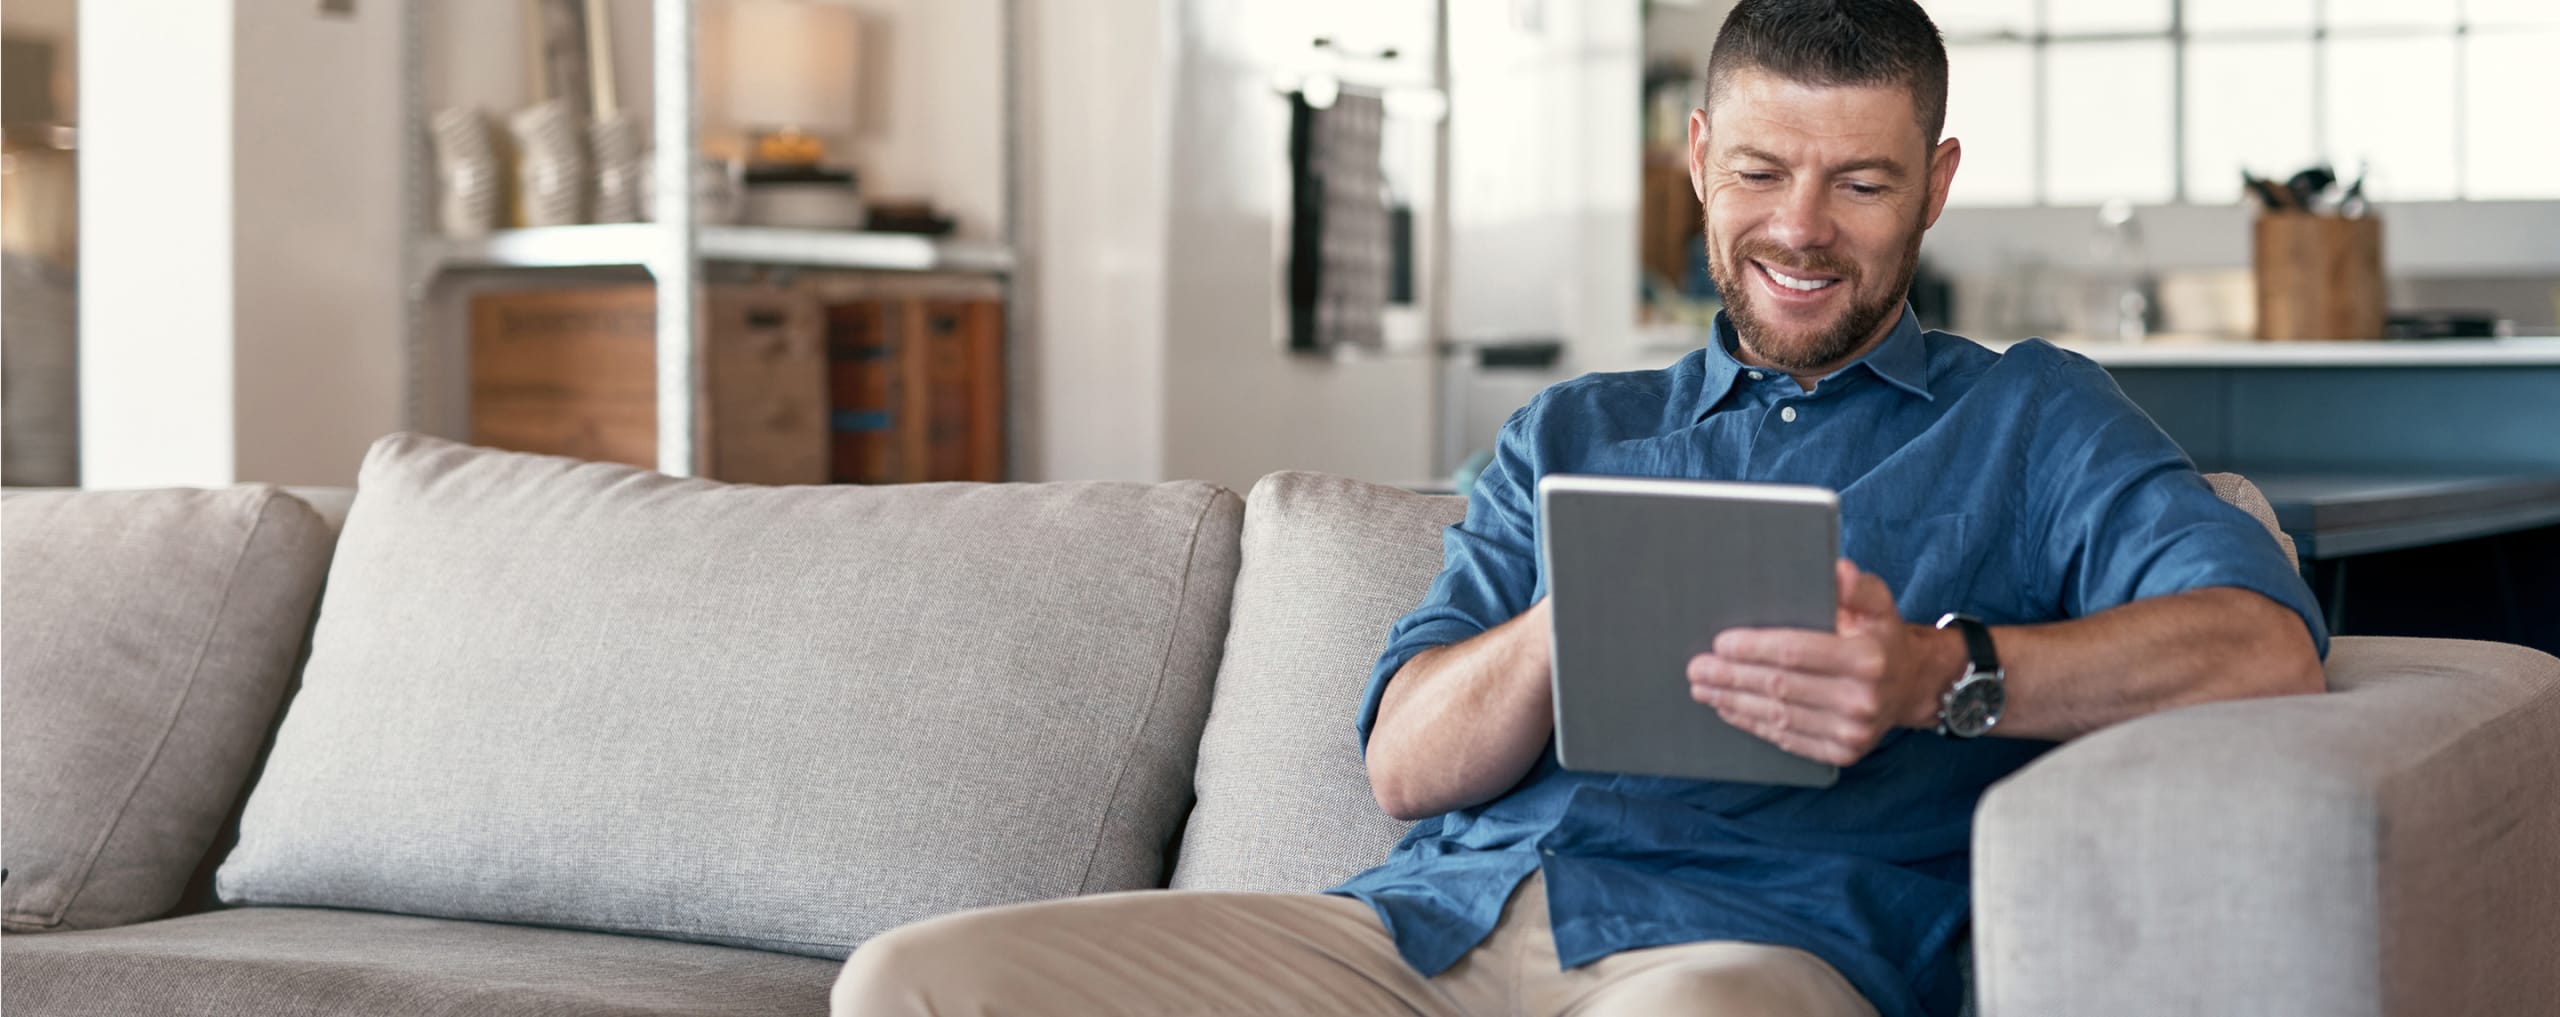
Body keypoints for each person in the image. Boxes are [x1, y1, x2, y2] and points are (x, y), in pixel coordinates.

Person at [833, 1, 2328, 1014]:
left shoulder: (2033, 417)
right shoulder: (1572, 430)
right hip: (1429, 929)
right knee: (910, 978)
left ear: (1934, 186)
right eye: (1760, 170)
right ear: (1696, 163)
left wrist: (1942, 673)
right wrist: (1579, 613)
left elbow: (2266, 647)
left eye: (1861, 184)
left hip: (1756, 951)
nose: (1800, 228)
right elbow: (1412, 766)